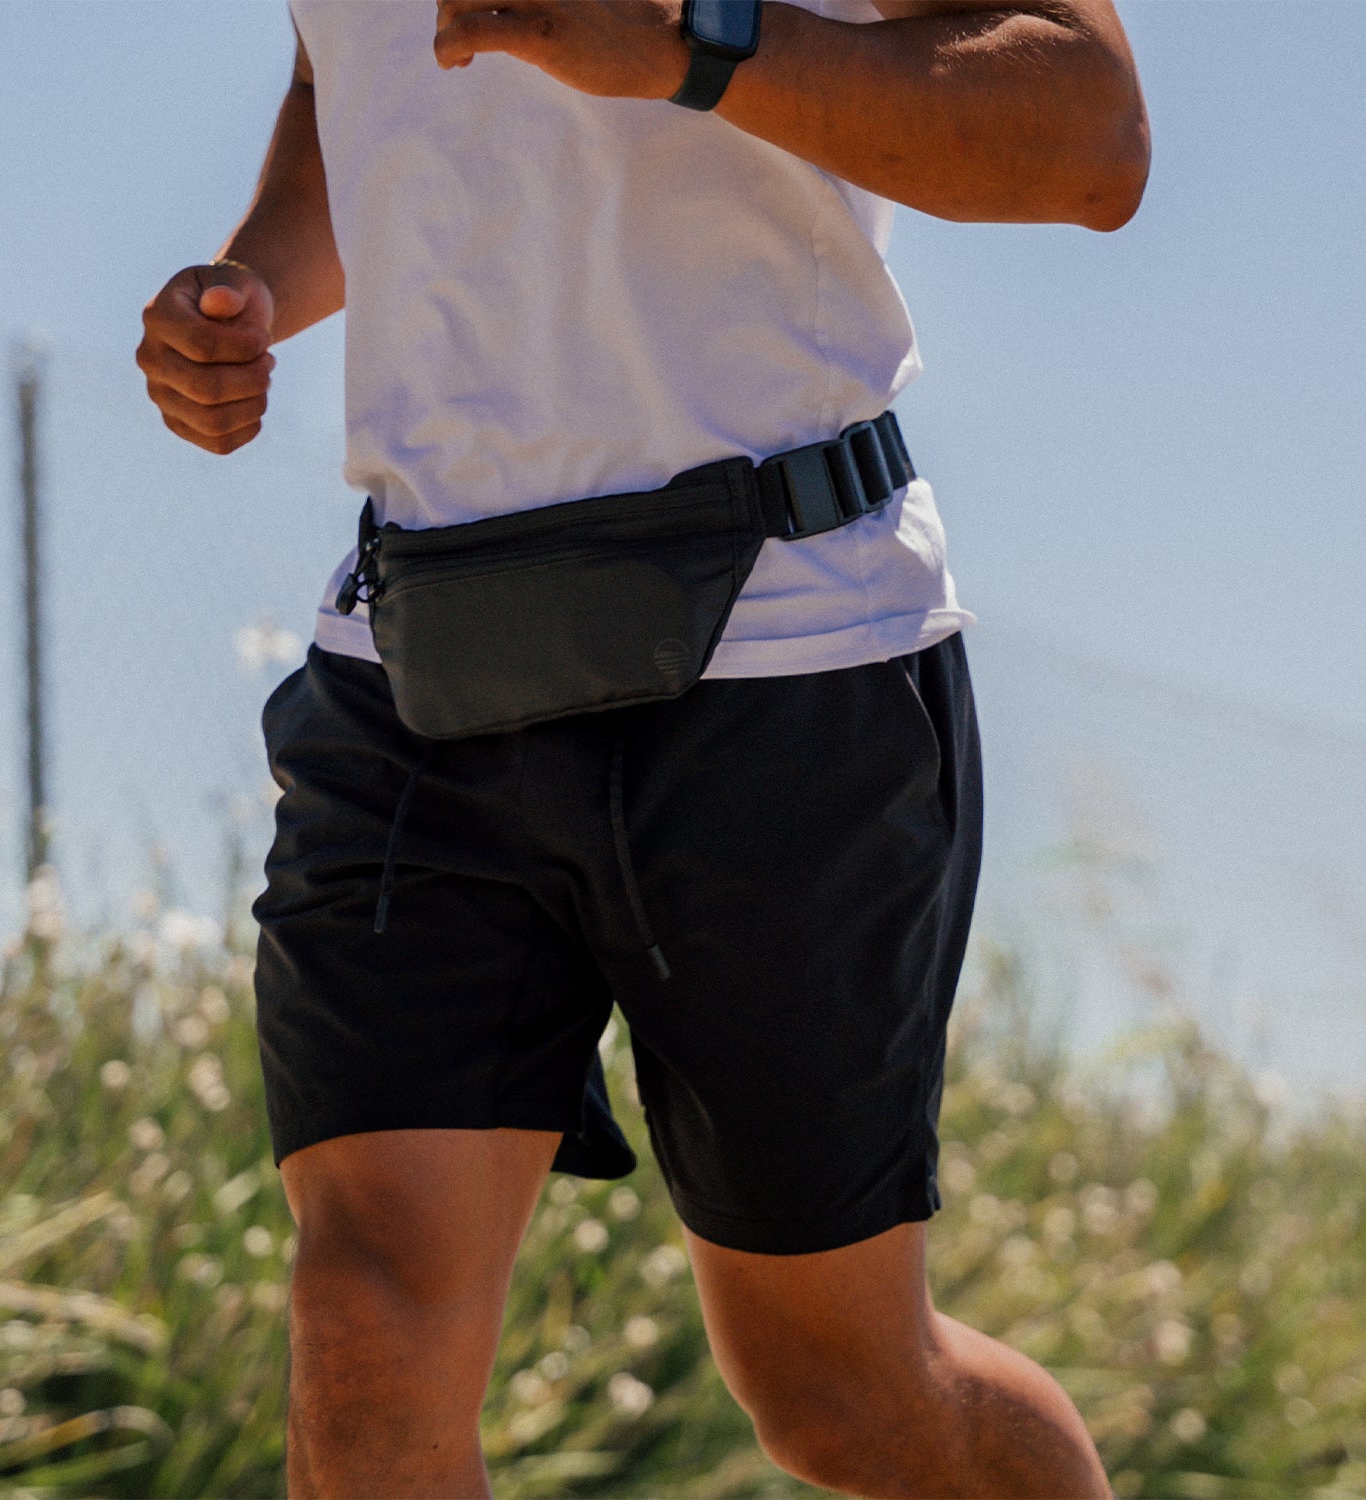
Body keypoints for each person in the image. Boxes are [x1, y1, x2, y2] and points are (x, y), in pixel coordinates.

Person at [137, 2, 1148, 1494]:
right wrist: (260, 284)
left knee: (845, 1396)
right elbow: (341, 77)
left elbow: (1088, 137)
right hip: (419, 655)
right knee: (360, 1337)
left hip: (786, 648)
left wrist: (694, 43)